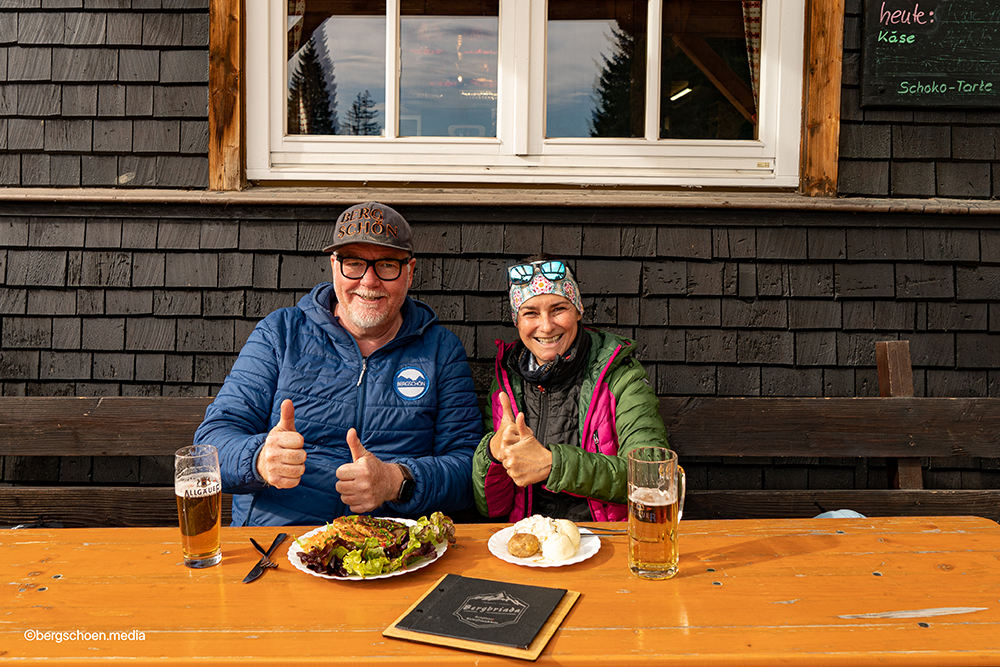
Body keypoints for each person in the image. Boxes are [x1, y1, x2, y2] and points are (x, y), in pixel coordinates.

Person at [194, 202, 482, 526]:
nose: (369, 281)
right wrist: (259, 458)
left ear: (410, 271)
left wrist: (397, 480)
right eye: (354, 263)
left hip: (390, 550)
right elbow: (212, 443)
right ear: (334, 267)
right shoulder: (280, 333)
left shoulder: (441, 351)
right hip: (275, 546)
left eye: (387, 265)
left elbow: (468, 470)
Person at [472, 255, 669, 522]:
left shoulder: (622, 376)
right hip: (527, 542)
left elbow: (651, 479)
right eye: (530, 313)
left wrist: (554, 465)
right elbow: (491, 508)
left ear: (578, 309)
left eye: (558, 309)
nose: (546, 325)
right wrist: (493, 454)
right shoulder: (506, 382)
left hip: (606, 540)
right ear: (516, 321)